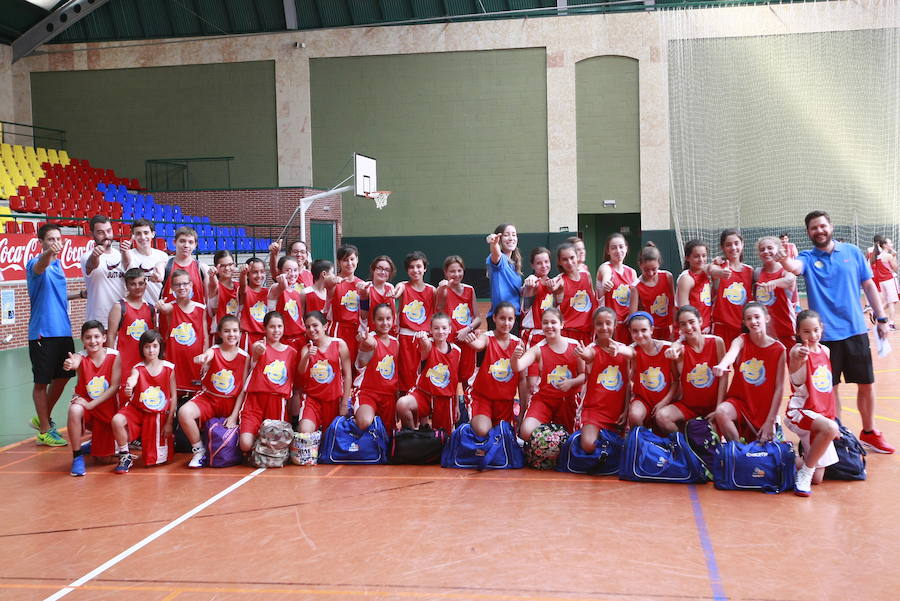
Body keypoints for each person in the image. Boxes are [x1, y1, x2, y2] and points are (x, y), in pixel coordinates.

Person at [778, 210, 894, 453]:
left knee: (866, 384)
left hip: (855, 330)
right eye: (813, 228)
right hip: (823, 338)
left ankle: (869, 432)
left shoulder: (851, 252)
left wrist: (881, 318)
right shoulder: (807, 257)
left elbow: (869, 285)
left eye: (822, 226)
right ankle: (837, 433)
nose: (819, 231)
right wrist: (783, 259)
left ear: (830, 227)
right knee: (828, 389)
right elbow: (795, 266)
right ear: (808, 233)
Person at [27, 223, 84, 446]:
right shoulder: (35, 263)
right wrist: (49, 252)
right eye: (50, 239)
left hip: (63, 331)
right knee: (42, 382)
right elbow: (40, 267)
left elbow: (57, 294)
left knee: (62, 378)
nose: (56, 243)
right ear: (41, 243)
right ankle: (43, 428)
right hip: (42, 332)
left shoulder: (59, 266)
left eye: (58, 239)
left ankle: (42, 417)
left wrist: (79, 294)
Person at [178, 315, 250, 468]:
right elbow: (208, 354)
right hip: (209, 399)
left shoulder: (245, 356)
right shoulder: (214, 350)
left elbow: (243, 390)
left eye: (235, 331)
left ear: (240, 333)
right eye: (226, 331)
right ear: (219, 334)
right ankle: (199, 451)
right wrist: (203, 357)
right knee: (184, 412)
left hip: (231, 402)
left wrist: (233, 416)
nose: (231, 334)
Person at [712, 303, 786, 444]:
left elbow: (779, 388)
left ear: (766, 318)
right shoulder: (742, 340)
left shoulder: (779, 349)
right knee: (721, 412)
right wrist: (722, 364)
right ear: (744, 322)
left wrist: (770, 420)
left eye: (757, 317)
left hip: (764, 408)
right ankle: (738, 451)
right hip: (741, 403)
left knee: (768, 454)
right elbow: (731, 354)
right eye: (749, 318)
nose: (753, 321)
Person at [785, 310, 840, 497]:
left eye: (816, 330)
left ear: (821, 329)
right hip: (799, 411)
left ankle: (785, 455)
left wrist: (831, 419)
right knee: (830, 429)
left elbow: (826, 392)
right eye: (806, 332)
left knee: (818, 477)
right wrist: (800, 356)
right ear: (798, 333)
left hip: (820, 415)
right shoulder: (797, 351)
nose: (813, 335)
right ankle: (804, 474)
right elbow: (795, 362)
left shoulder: (826, 351)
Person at [511, 308, 585, 439]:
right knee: (527, 432)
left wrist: (571, 382)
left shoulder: (574, 346)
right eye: (545, 323)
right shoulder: (538, 349)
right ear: (541, 325)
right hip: (545, 400)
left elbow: (584, 375)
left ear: (562, 324)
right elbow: (518, 367)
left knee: (571, 437)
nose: (549, 326)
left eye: (553, 322)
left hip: (568, 401)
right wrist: (514, 358)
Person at [112, 330, 176, 473]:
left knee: (153, 462)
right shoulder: (138, 368)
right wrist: (129, 385)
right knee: (117, 420)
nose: (151, 350)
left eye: (154, 346)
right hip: (136, 409)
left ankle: (140, 442)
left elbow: (174, 397)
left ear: (160, 347)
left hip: (156, 414)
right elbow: (133, 378)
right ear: (142, 348)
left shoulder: (169, 368)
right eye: (147, 346)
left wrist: (170, 422)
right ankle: (124, 455)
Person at [63, 321, 122, 476]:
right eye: (88, 337)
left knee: (104, 459)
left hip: (106, 409)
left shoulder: (114, 356)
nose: (93, 341)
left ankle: (93, 444)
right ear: (82, 340)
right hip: (86, 408)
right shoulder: (81, 357)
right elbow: (74, 360)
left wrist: (91, 405)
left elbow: (114, 387)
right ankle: (77, 456)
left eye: (96, 336)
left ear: (104, 338)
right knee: (74, 410)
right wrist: (70, 363)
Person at [657, 306, 726, 433]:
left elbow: (724, 378)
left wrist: (719, 408)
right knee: (662, 417)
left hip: (713, 407)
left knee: (712, 437)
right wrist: (673, 349)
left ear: (700, 321)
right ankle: (685, 445)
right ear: (680, 328)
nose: (688, 327)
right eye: (683, 324)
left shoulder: (717, 342)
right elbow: (675, 379)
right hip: (688, 407)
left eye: (691, 322)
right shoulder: (680, 350)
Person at [238, 311, 298, 452]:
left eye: (279, 326)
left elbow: (294, 385)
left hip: (277, 403)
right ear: (264, 328)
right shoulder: (258, 346)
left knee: (275, 447)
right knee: (245, 444)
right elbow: (255, 354)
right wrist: (258, 351)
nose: (276, 330)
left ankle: (262, 443)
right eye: (272, 327)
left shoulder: (292, 352)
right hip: (254, 401)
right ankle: (256, 443)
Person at [574, 307, 631, 452]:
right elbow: (588, 354)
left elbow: (628, 386)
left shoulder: (623, 350)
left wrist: (626, 410)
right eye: (599, 323)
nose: (604, 327)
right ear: (594, 325)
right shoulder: (592, 349)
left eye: (608, 323)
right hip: (594, 411)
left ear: (615, 324)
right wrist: (582, 353)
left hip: (617, 413)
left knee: (625, 448)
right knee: (588, 445)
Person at [464, 302, 523, 437]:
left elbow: (522, 380)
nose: (506, 323)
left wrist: (523, 410)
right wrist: (471, 339)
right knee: (484, 431)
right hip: (482, 398)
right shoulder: (486, 337)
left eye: (510, 319)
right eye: (502, 318)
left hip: (505, 402)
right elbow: (478, 345)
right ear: (494, 318)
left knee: (503, 435)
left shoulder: (518, 344)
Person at [396, 313, 462, 432]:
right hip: (424, 394)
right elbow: (425, 346)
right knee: (402, 404)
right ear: (430, 330)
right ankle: (414, 436)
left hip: (445, 399)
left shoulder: (457, 351)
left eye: (444, 328)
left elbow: (454, 381)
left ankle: (430, 436)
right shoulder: (428, 345)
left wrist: (456, 405)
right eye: (436, 328)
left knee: (444, 438)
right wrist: (423, 338)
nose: (440, 331)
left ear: (450, 329)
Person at [106, 268, 157, 403]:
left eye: (141, 283)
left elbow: (155, 337)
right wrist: (110, 363)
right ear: (126, 285)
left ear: (146, 284)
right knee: (124, 403)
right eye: (133, 284)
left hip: (145, 364)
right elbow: (110, 336)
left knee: (145, 400)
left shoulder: (151, 308)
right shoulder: (119, 307)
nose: (137, 287)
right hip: (124, 365)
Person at [297, 311, 352, 433]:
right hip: (312, 399)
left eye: (315, 325)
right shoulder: (306, 348)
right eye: (307, 327)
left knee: (331, 435)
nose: (311, 329)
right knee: (305, 431)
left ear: (325, 326)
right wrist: (307, 356)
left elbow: (347, 375)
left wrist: (344, 403)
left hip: (334, 399)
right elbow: (301, 371)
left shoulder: (339, 344)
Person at [156, 269, 208, 395]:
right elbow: (163, 307)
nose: (182, 287)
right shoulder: (171, 307)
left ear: (191, 285)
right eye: (178, 285)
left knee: (194, 394)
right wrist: (160, 303)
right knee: (174, 394)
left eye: (185, 284)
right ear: (172, 287)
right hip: (175, 359)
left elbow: (205, 337)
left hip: (195, 360)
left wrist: (206, 360)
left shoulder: (201, 309)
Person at [436, 255, 482, 385]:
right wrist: (442, 289)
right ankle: (454, 405)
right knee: (450, 376)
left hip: (467, 340)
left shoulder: (469, 289)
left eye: (459, 270)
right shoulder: (442, 290)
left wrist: (468, 329)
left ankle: (467, 404)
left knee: (468, 377)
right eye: (452, 271)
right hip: (450, 341)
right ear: (445, 273)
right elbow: (439, 307)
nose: (456, 274)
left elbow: (478, 318)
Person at [353, 303, 400, 431]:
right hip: (367, 393)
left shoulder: (396, 342)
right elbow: (369, 345)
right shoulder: (370, 339)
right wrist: (365, 340)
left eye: (388, 319)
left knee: (389, 433)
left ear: (393, 319)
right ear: (373, 320)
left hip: (388, 396)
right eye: (380, 319)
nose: (385, 323)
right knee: (364, 422)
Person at [625, 311, 675, 430]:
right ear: (630, 332)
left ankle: (680, 445)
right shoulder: (633, 350)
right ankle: (643, 443)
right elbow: (628, 379)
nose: (640, 335)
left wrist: (664, 402)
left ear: (651, 329)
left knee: (663, 421)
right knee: (634, 415)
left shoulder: (668, 349)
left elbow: (677, 382)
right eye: (635, 331)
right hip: (643, 399)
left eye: (643, 330)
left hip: (666, 397)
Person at [395, 251, 436, 392]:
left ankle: (424, 409)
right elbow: (397, 290)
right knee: (406, 375)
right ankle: (405, 409)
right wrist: (395, 291)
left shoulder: (433, 291)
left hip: (426, 338)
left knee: (427, 374)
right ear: (407, 270)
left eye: (419, 266)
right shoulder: (403, 286)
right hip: (406, 338)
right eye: (411, 267)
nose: (415, 270)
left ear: (425, 268)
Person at [711, 229, 752, 349]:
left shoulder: (750, 271)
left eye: (736, 243)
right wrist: (717, 267)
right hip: (722, 326)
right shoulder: (719, 268)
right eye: (728, 245)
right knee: (722, 365)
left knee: (743, 366)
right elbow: (711, 270)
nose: (733, 247)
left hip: (743, 327)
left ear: (742, 244)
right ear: (722, 247)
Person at [754, 236, 796, 351]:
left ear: (778, 249)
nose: (766, 251)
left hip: (785, 331)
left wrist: (774, 282)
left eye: (770, 248)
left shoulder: (785, 271)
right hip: (765, 332)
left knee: (789, 366)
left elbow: (790, 280)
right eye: (762, 249)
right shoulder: (757, 273)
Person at [324, 244, 363, 370]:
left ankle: (350, 389)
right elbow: (327, 282)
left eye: (352, 259)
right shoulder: (334, 281)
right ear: (339, 262)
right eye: (345, 260)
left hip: (356, 329)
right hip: (337, 328)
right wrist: (332, 281)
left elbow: (364, 312)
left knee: (354, 364)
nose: (349, 263)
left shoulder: (361, 284)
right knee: (336, 364)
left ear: (357, 259)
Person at [81, 215, 124, 323]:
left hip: (121, 318)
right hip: (98, 320)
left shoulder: (120, 255)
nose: (106, 235)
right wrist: (95, 255)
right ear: (92, 234)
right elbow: (91, 265)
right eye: (100, 232)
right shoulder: (87, 256)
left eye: (109, 231)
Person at [552, 241, 597, 345]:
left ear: (577, 257)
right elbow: (552, 287)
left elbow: (593, 302)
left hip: (588, 333)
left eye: (572, 257)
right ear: (559, 262)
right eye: (565, 259)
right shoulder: (560, 280)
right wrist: (551, 286)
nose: (569, 262)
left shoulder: (587, 276)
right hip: (569, 334)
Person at [596, 233, 637, 343]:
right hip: (609, 326)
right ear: (608, 251)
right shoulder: (605, 267)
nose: (618, 251)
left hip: (627, 325)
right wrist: (606, 282)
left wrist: (632, 316)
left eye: (621, 247)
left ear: (626, 248)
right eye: (613, 248)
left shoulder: (631, 272)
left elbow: (635, 298)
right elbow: (606, 275)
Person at [632, 242, 676, 341]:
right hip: (649, 332)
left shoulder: (667, 277)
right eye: (646, 270)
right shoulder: (636, 287)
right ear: (640, 265)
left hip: (668, 328)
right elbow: (633, 316)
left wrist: (674, 329)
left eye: (654, 269)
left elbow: (673, 305)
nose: (650, 273)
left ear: (659, 263)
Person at [121, 218, 169, 305]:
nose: (143, 237)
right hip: (138, 308)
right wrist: (124, 251)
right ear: (133, 236)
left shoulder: (162, 256)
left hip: (160, 306)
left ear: (153, 234)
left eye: (146, 233)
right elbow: (126, 262)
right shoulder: (129, 255)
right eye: (138, 233)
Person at [485, 224, 523, 332]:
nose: (511, 238)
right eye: (506, 235)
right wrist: (494, 244)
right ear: (500, 239)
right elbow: (496, 254)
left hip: (515, 317)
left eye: (514, 235)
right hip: (500, 318)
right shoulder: (499, 260)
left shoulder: (515, 265)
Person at [155, 226, 208, 304]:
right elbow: (159, 270)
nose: (186, 245)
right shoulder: (165, 266)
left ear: (195, 245)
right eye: (182, 241)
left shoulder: (202, 268)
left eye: (190, 242)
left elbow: (209, 298)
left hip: (195, 315)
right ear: (174, 242)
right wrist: (158, 276)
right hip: (170, 314)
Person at [675, 240, 713, 333]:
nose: (701, 259)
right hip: (691, 329)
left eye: (704, 256)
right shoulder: (686, 278)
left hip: (705, 327)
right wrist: (694, 328)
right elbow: (684, 309)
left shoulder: (706, 273)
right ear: (687, 258)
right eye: (696, 256)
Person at [206, 249, 239, 344]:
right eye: (223, 266)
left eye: (230, 264)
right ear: (216, 267)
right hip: (218, 336)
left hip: (235, 335)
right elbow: (213, 285)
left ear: (235, 264)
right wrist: (212, 276)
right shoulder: (214, 285)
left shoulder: (238, 286)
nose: (227, 268)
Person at [359, 255, 397, 331]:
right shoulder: (366, 287)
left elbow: (394, 314)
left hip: (390, 334)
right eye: (379, 268)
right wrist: (363, 296)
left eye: (387, 270)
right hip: (372, 334)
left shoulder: (390, 287)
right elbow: (363, 317)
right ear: (373, 269)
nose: (383, 272)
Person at [238, 258, 269, 351]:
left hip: (265, 338)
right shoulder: (246, 291)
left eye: (262, 271)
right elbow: (243, 286)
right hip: (248, 338)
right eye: (255, 272)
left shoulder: (269, 292)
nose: (259, 275)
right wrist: (243, 274)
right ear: (248, 275)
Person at [871, 236, 898, 329]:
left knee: (888, 301)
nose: (892, 244)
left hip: (882, 282)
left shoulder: (878, 255)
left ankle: (876, 312)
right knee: (891, 303)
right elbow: (895, 268)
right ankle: (891, 323)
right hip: (889, 280)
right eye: (890, 243)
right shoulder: (889, 256)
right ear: (885, 245)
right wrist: (894, 256)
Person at [779, 233, 800, 310]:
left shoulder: (792, 246)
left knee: (794, 287)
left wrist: (794, 267)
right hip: (782, 270)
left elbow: (797, 257)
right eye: (782, 239)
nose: (784, 240)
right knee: (782, 287)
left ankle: (796, 305)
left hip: (791, 270)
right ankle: (784, 304)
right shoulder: (779, 248)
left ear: (788, 239)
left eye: (785, 238)